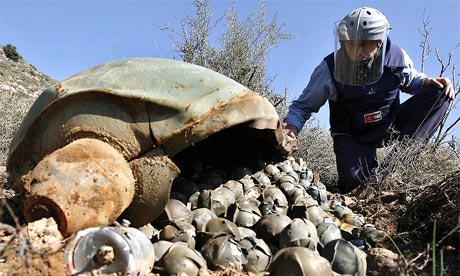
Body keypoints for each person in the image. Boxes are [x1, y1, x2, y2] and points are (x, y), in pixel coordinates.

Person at [283, 7, 455, 193]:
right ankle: (364, 179)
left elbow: (410, 79)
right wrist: (291, 128)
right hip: (352, 134)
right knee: (356, 188)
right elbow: (303, 106)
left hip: (388, 125)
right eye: (351, 44)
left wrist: (427, 81)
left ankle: (396, 169)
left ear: (379, 42)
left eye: (365, 44)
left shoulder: (397, 57)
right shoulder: (329, 69)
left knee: (440, 93)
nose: (357, 51)